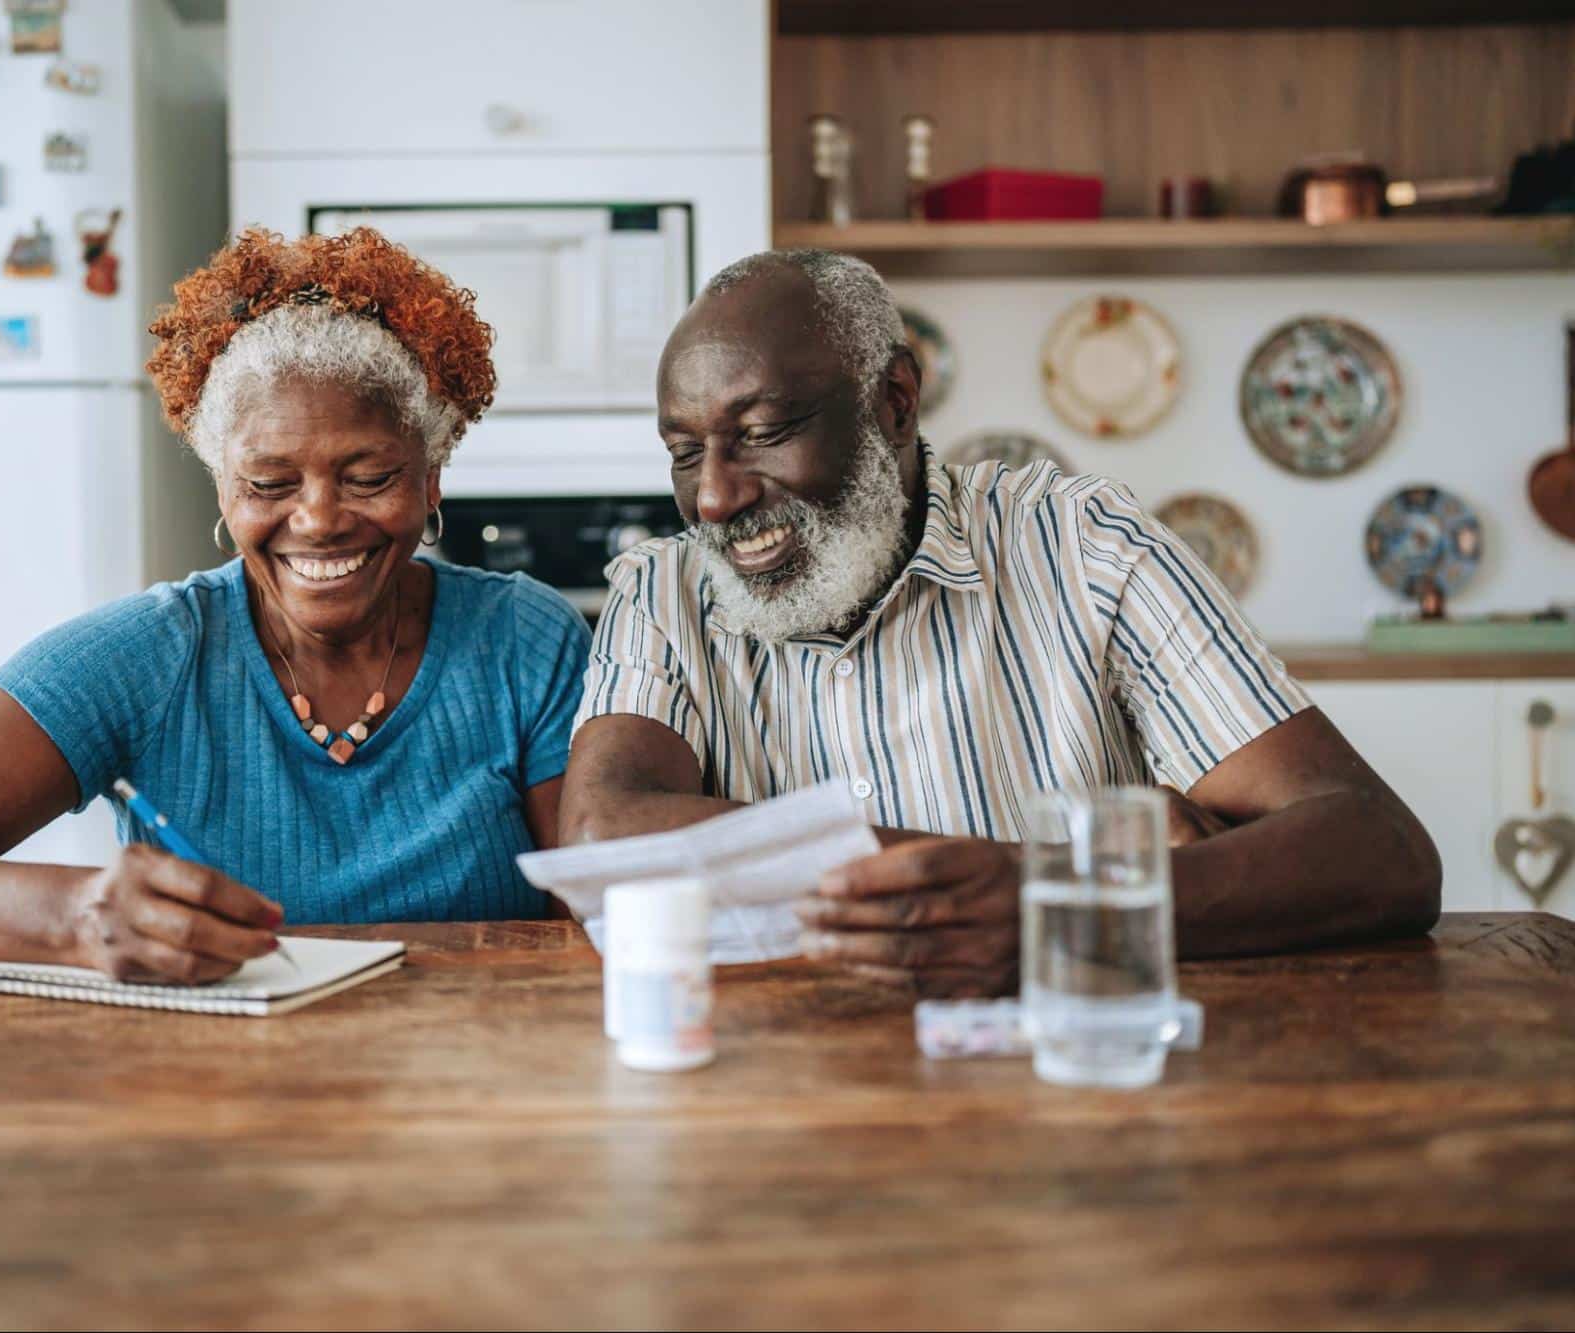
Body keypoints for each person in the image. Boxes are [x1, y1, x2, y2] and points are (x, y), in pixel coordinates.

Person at [560, 249, 1440, 990]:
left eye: (759, 430)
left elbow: (1379, 847)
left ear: (893, 402)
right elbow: (602, 836)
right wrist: (1061, 876)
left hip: (1070, 1074)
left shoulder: (1083, 545)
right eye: (684, 452)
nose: (713, 497)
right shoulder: (662, 589)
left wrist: (1035, 913)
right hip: (776, 1087)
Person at [0, 228, 590, 981]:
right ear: (222, 487)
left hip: (466, 1099)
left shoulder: (523, 639)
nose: (320, 520)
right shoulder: (147, 657)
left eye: (369, 477)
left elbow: (593, 935)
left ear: (432, 473)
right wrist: (73, 916)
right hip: (210, 1102)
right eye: (268, 483)